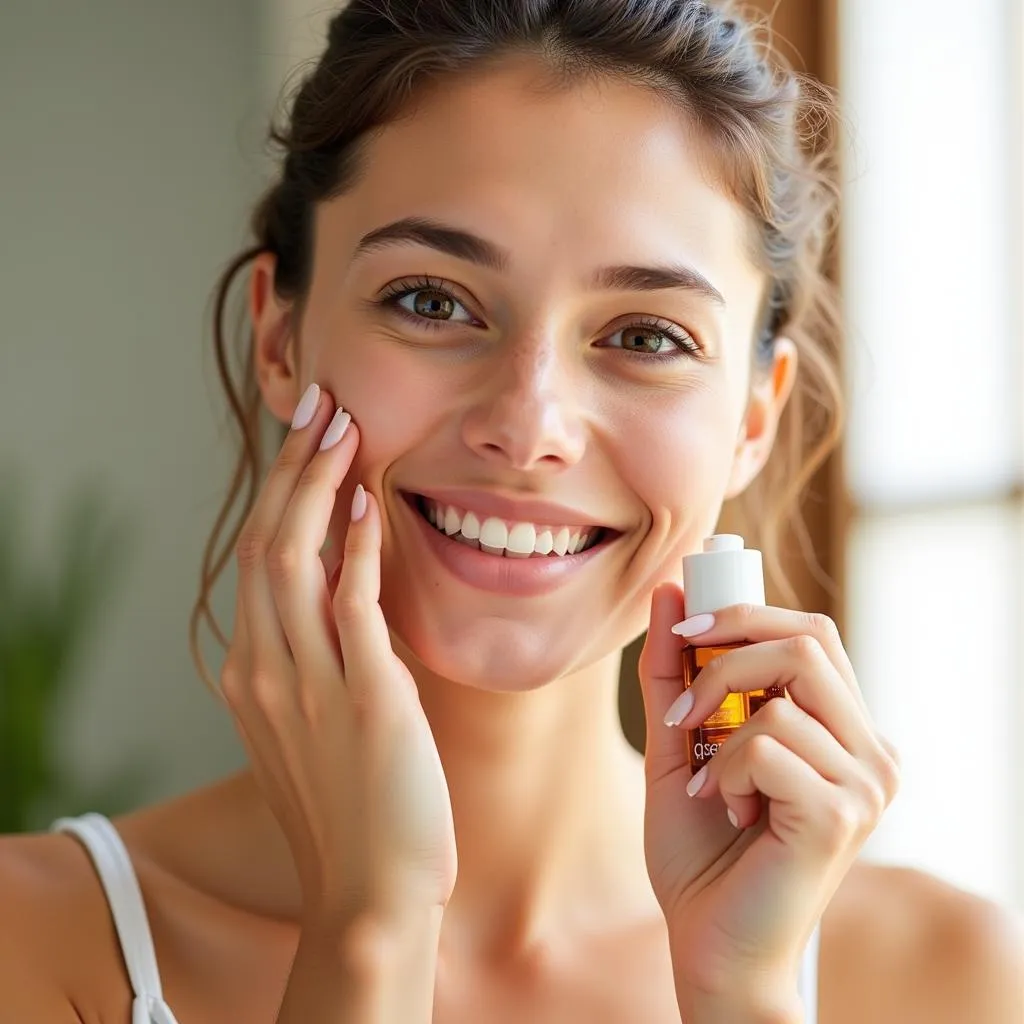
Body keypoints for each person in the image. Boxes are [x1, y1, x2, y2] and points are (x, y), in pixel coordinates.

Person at [2, 1, 1021, 1021]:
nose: (529, 424)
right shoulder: (32, 941)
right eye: (432, 301)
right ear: (280, 339)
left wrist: (741, 993)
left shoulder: (944, 976)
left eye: (648, 335)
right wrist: (370, 935)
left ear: (754, 414)